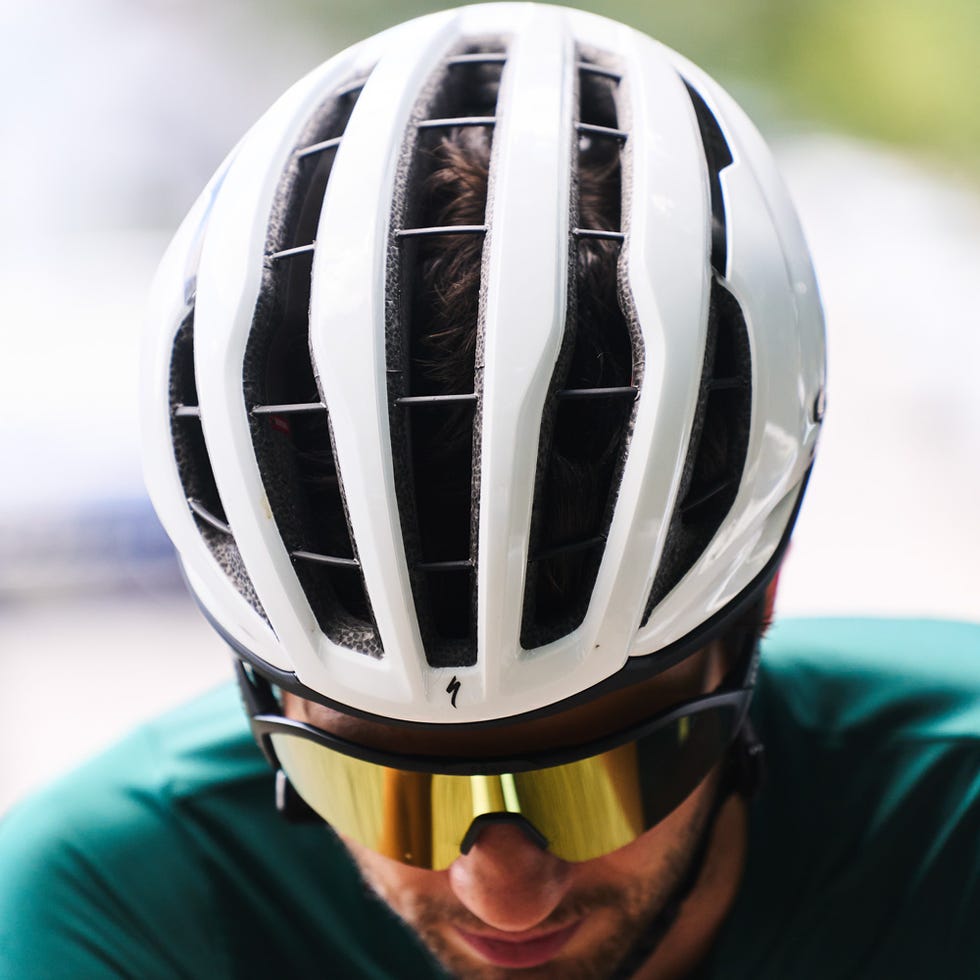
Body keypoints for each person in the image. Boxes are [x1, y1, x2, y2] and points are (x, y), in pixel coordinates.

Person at [1, 5, 978, 978]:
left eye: (604, 780)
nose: (500, 894)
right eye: (383, 790)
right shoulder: (104, 914)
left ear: (756, 611)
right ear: (264, 697)